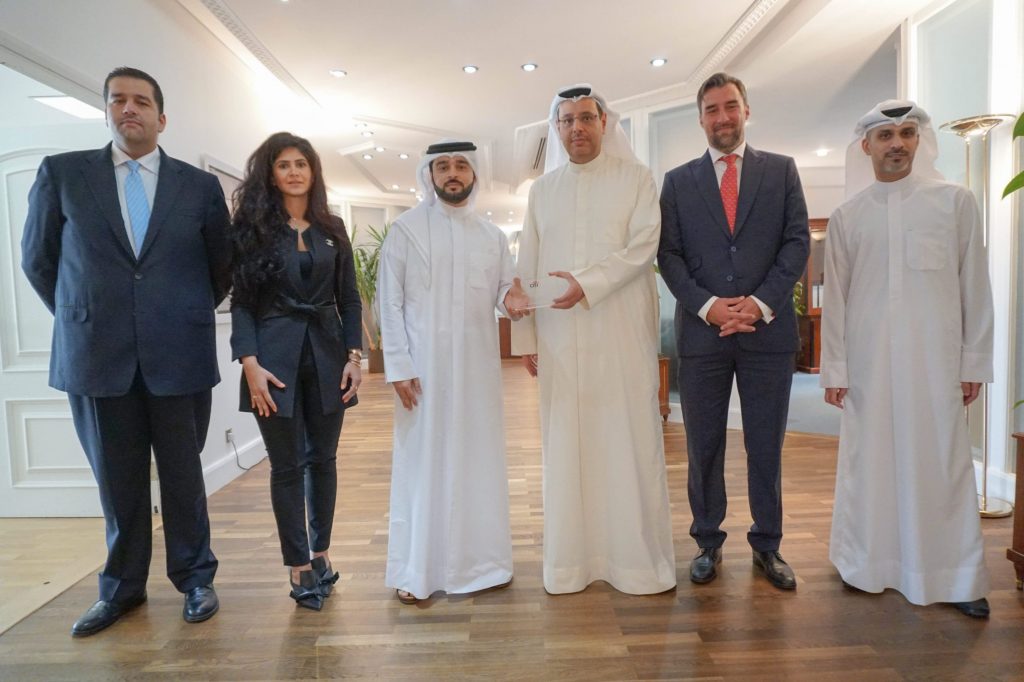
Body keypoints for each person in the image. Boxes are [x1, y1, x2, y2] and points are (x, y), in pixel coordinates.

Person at [21, 67, 229, 636]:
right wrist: (86, 314)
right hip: (96, 356)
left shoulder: (199, 187)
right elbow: (38, 260)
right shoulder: (63, 174)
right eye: (118, 100)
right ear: (107, 110)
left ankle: (195, 579)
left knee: (184, 476)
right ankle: (121, 589)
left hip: (179, 353)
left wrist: (171, 313)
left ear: (162, 117)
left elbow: (221, 267)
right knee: (116, 481)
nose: (128, 109)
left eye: (140, 101)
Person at [820, 100, 994, 618]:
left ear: (919, 140)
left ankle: (956, 577)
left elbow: (975, 287)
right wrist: (836, 369)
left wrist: (972, 363)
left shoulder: (955, 203)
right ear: (866, 146)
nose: (897, 144)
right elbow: (838, 300)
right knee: (869, 463)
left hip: (936, 365)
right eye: (886, 135)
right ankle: (865, 564)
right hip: (869, 368)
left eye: (906, 133)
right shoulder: (848, 217)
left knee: (942, 463)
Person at [510, 85, 675, 596]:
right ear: (557, 129)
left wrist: (587, 283)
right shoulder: (543, 190)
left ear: (604, 123)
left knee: (626, 439)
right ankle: (570, 565)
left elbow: (644, 246)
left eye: (586, 118)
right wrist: (527, 337)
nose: (577, 128)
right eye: (567, 121)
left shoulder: (637, 179)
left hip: (621, 333)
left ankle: (634, 564)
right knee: (566, 443)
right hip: (560, 338)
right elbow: (527, 264)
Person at [657, 72, 809, 590]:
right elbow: (669, 255)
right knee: (703, 445)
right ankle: (707, 540)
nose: (722, 117)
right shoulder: (677, 182)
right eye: (712, 109)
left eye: (730, 106)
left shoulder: (782, 171)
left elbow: (796, 243)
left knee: (765, 444)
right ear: (700, 118)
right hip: (704, 336)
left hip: (768, 334)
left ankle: (768, 544)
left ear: (746, 110)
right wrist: (709, 307)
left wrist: (759, 304)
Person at [379, 140, 524, 604]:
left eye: (461, 165)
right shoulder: (405, 230)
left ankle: (483, 564)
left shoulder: (492, 236)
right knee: (422, 463)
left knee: (477, 461)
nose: (452, 173)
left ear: (474, 174)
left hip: (478, 370)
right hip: (422, 370)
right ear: (430, 175)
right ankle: (416, 570)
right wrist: (398, 365)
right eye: (443, 166)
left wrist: (513, 301)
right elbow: (389, 302)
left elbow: (503, 291)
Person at [229, 132, 362, 610]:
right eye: (283, 164)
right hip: (272, 362)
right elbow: (242, 303)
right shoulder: (253, 229)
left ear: (313, 171)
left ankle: (321, 551)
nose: (293, 172)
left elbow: (349, 298)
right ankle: (297, 563)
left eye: (301, 163)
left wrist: (354, 357)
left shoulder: (333, 227)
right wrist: (249, 364)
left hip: (329, 357)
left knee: (323, 459)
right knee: (286, 466)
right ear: (270, 174)